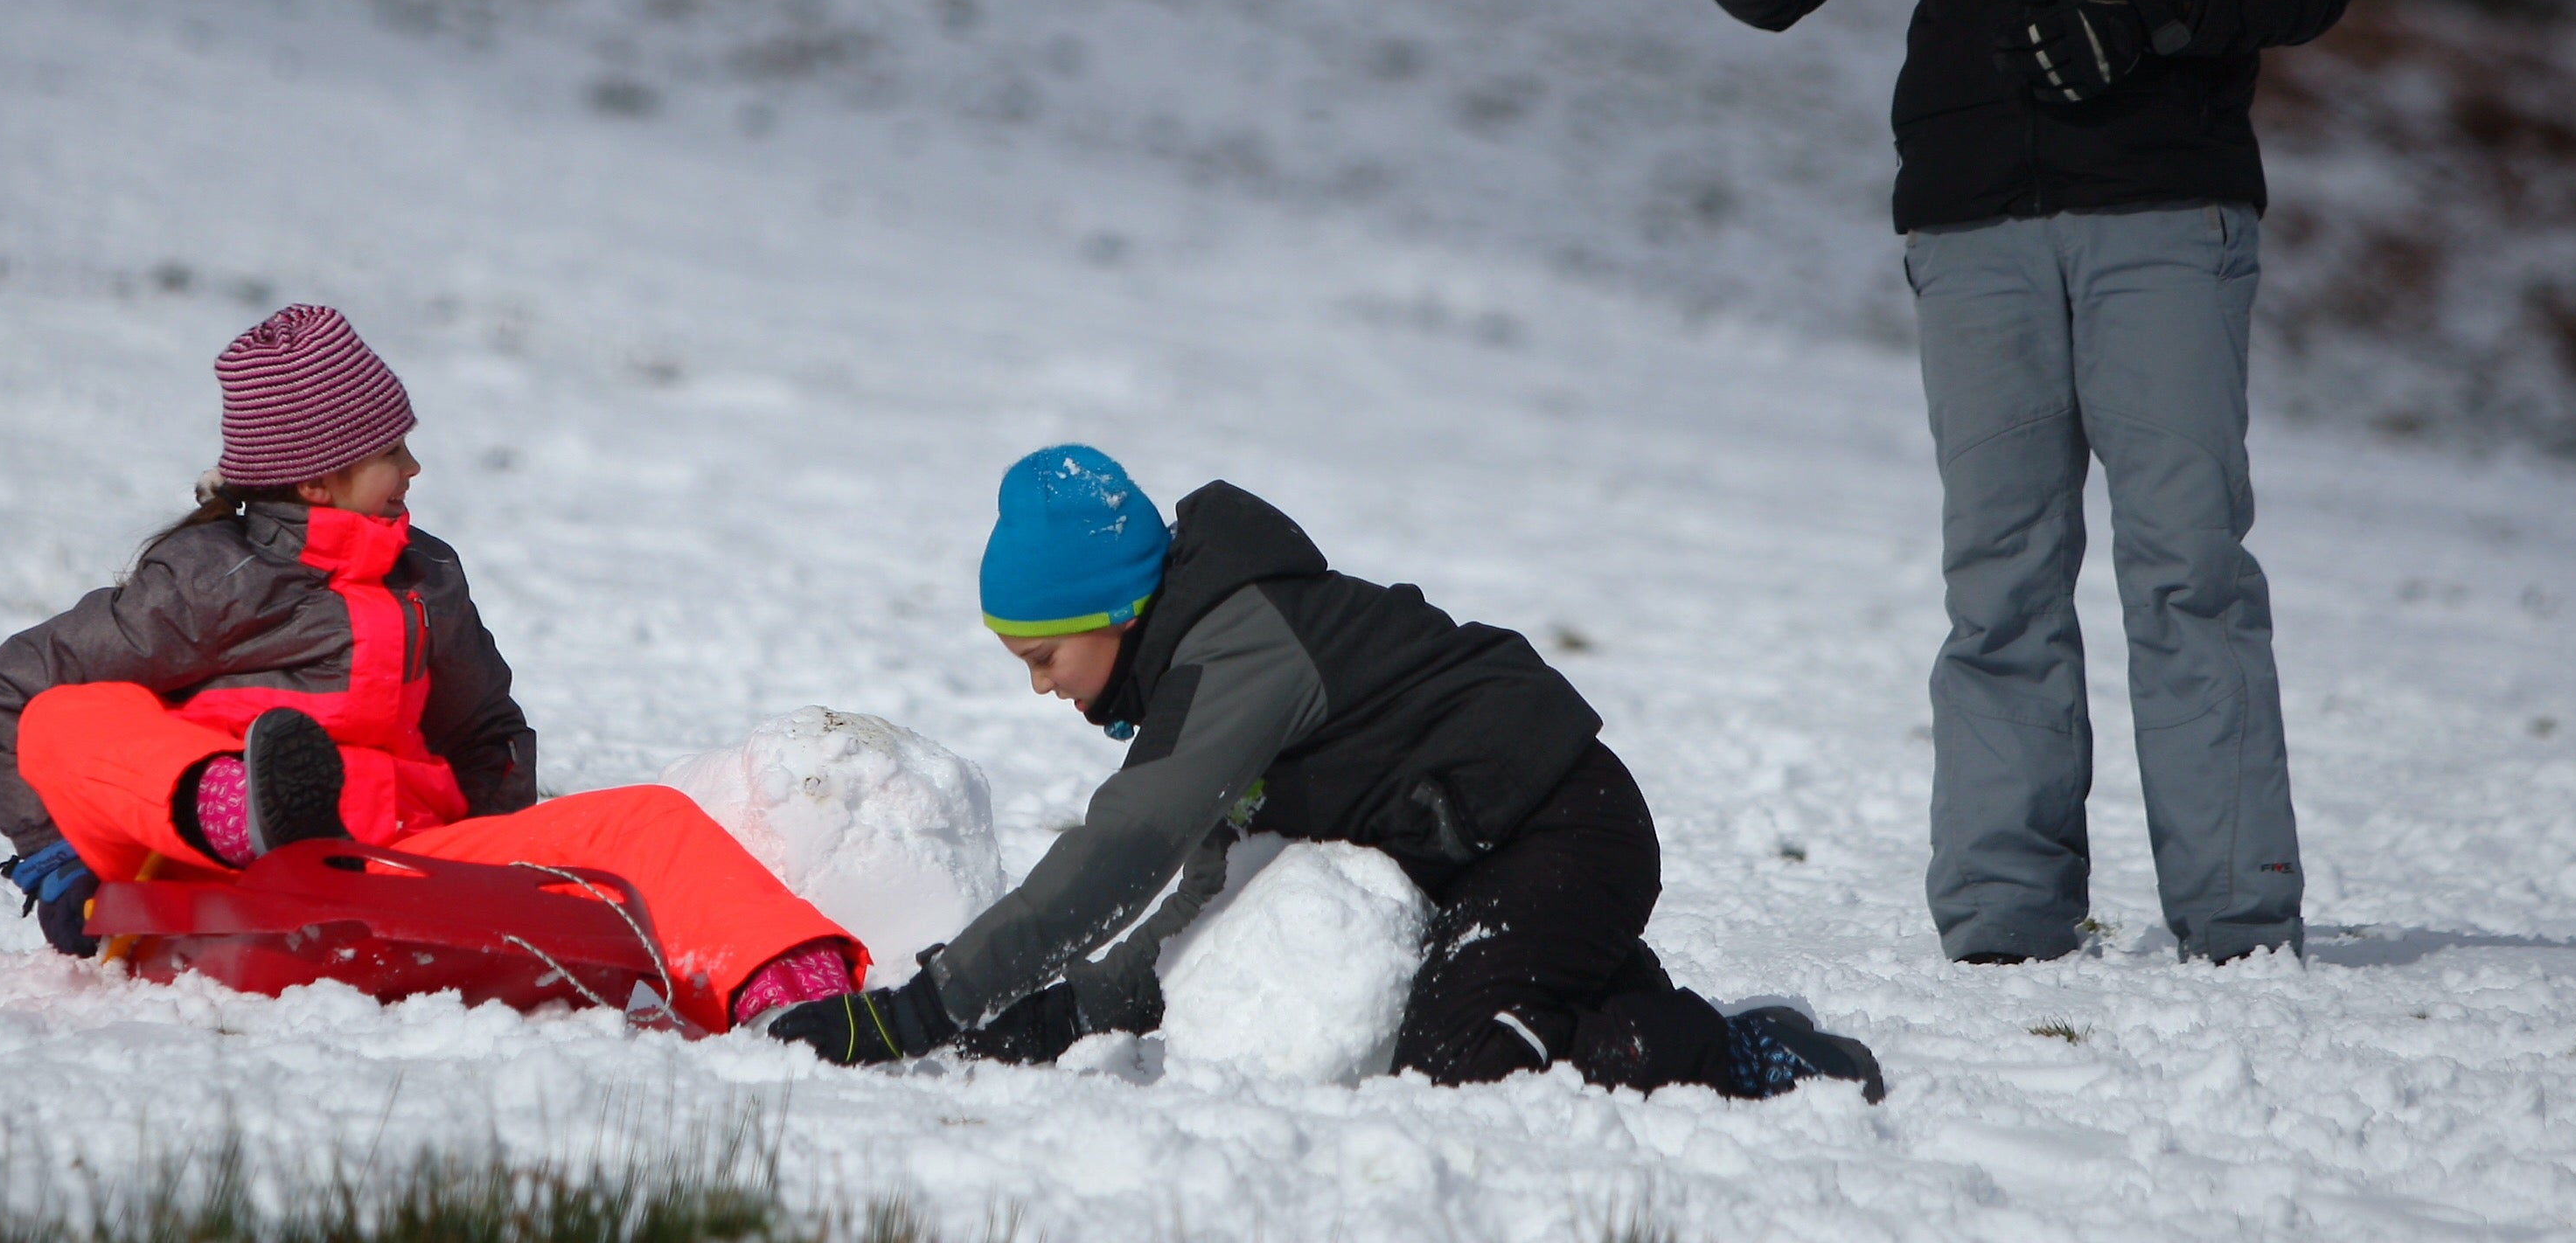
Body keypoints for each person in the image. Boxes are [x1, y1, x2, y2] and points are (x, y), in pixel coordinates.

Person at [1682, 0, 2367, 967]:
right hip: (1969, 217)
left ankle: (2237, 922)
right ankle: (2000, 921)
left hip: (2162, 207)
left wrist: (2155, 10)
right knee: (1995, 579)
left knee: (2184, 565)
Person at [768, 447, 1883, 1101]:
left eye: (1044, 656)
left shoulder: (1236, 653)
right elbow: (1215, 900)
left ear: (1111, 613)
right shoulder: (1198, 672)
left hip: (1562, 830)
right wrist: (1055, 1015)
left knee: (1460, 1066)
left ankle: (1747, 1054)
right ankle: (1629, 1010)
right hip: (1494, 860)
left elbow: (1125, 846)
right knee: (1488, 1020)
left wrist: (924, 1009)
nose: (1041, 688)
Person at [0, 302, 863, 1031]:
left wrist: (494, 882)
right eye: (390, 450)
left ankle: (799, 994)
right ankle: (239, 806)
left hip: (397, 868)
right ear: (315, 480)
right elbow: (5, 689)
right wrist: (55, 863)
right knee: (69, 716)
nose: (414, 465)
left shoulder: (426, 577)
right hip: (219, 878)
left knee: (648, 821)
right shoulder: (209, 579)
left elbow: (486, 732)